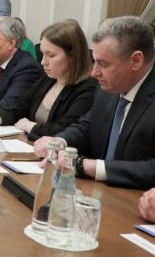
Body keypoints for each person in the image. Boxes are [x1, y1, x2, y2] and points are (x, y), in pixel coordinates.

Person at [34, 17, 155, 190]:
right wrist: (61, 140)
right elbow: (87, 125)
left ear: (136, 61)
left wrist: (89, 166)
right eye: (95, 61)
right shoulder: (106, 88)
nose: (94, 73)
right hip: (95, 192)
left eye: (103, 64)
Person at [0, 19, 96, 140]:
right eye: (43, 54)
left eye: (51, 55)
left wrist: (29, 126)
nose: (43, 62)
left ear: (73, 56)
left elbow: (64, 130)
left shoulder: (88, 88)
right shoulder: (48, 79)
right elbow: (19, 107)